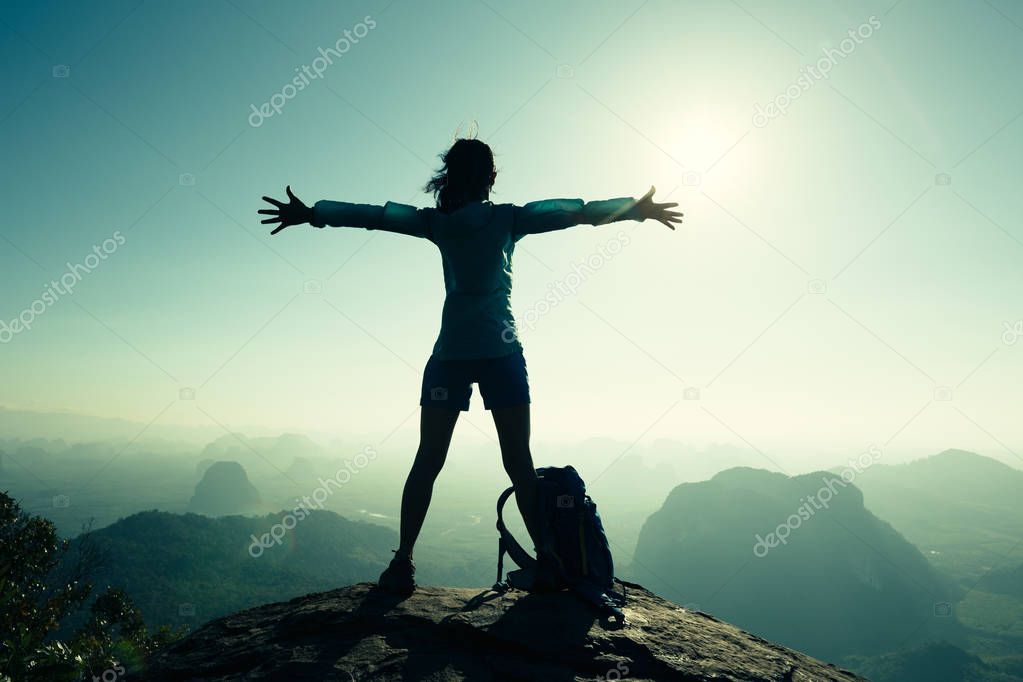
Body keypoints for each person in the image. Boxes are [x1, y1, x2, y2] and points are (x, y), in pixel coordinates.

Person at [259, 137, 682, 594]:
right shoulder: (508, 218)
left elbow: (375, 216)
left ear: (451, 177)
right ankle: (551, 562)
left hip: (451, 358)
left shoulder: (436, 223)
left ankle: (403, 562)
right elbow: (574, 211)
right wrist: (635, 208)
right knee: (519, 464)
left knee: (428, 460)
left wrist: (314, 214)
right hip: (502, 354)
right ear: (491, 178)